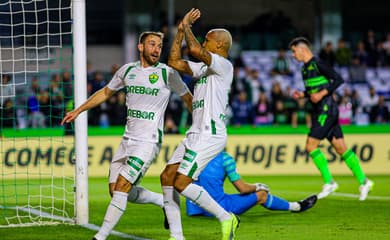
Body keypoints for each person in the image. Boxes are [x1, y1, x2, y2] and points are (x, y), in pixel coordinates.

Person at [61, 31, 193, 240]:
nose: (157, 49)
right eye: (152, 44)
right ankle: (162, 201)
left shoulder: (167, 74)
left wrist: (200, 125)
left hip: (148, 142)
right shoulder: (127, 70)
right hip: (127, 141)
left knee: (123, 185)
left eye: (159, 45)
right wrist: (79, 110)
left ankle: (100, 236)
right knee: (116, 190)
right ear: (141, 47)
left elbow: (188, 97)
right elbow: (106, 92)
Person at [160, 8, 239, 240]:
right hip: (195, 133)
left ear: (218, 46)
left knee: (182, 182)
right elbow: (174, 61)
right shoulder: (205, 69)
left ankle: (226, 217)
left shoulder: (224, 66)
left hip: (210, 134)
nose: (204, 43)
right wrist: (180, 32)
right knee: (167, 176)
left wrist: (188, 27)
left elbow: (194, 49)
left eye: (208, 40)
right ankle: (177, 236)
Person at [288, 37, 373, 201]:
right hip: (321, 110)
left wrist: (321, 94)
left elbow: (338, 79)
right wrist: (304, 94)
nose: (293, 55)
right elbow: (314, 90)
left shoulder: (318, 63)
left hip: (326, 109)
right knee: (341, 148)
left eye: (293, 51)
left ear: (302, 49)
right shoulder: (305, 69)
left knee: (310, 146)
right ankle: (364, 181)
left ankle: (329, 182)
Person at [186, 152, 317, 217]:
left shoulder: (193, 153)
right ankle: (297, 207)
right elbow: (242, 188)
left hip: (194, 208)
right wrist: (257, 186)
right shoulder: (225, 158)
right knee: (262, 195)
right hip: (217, 208)